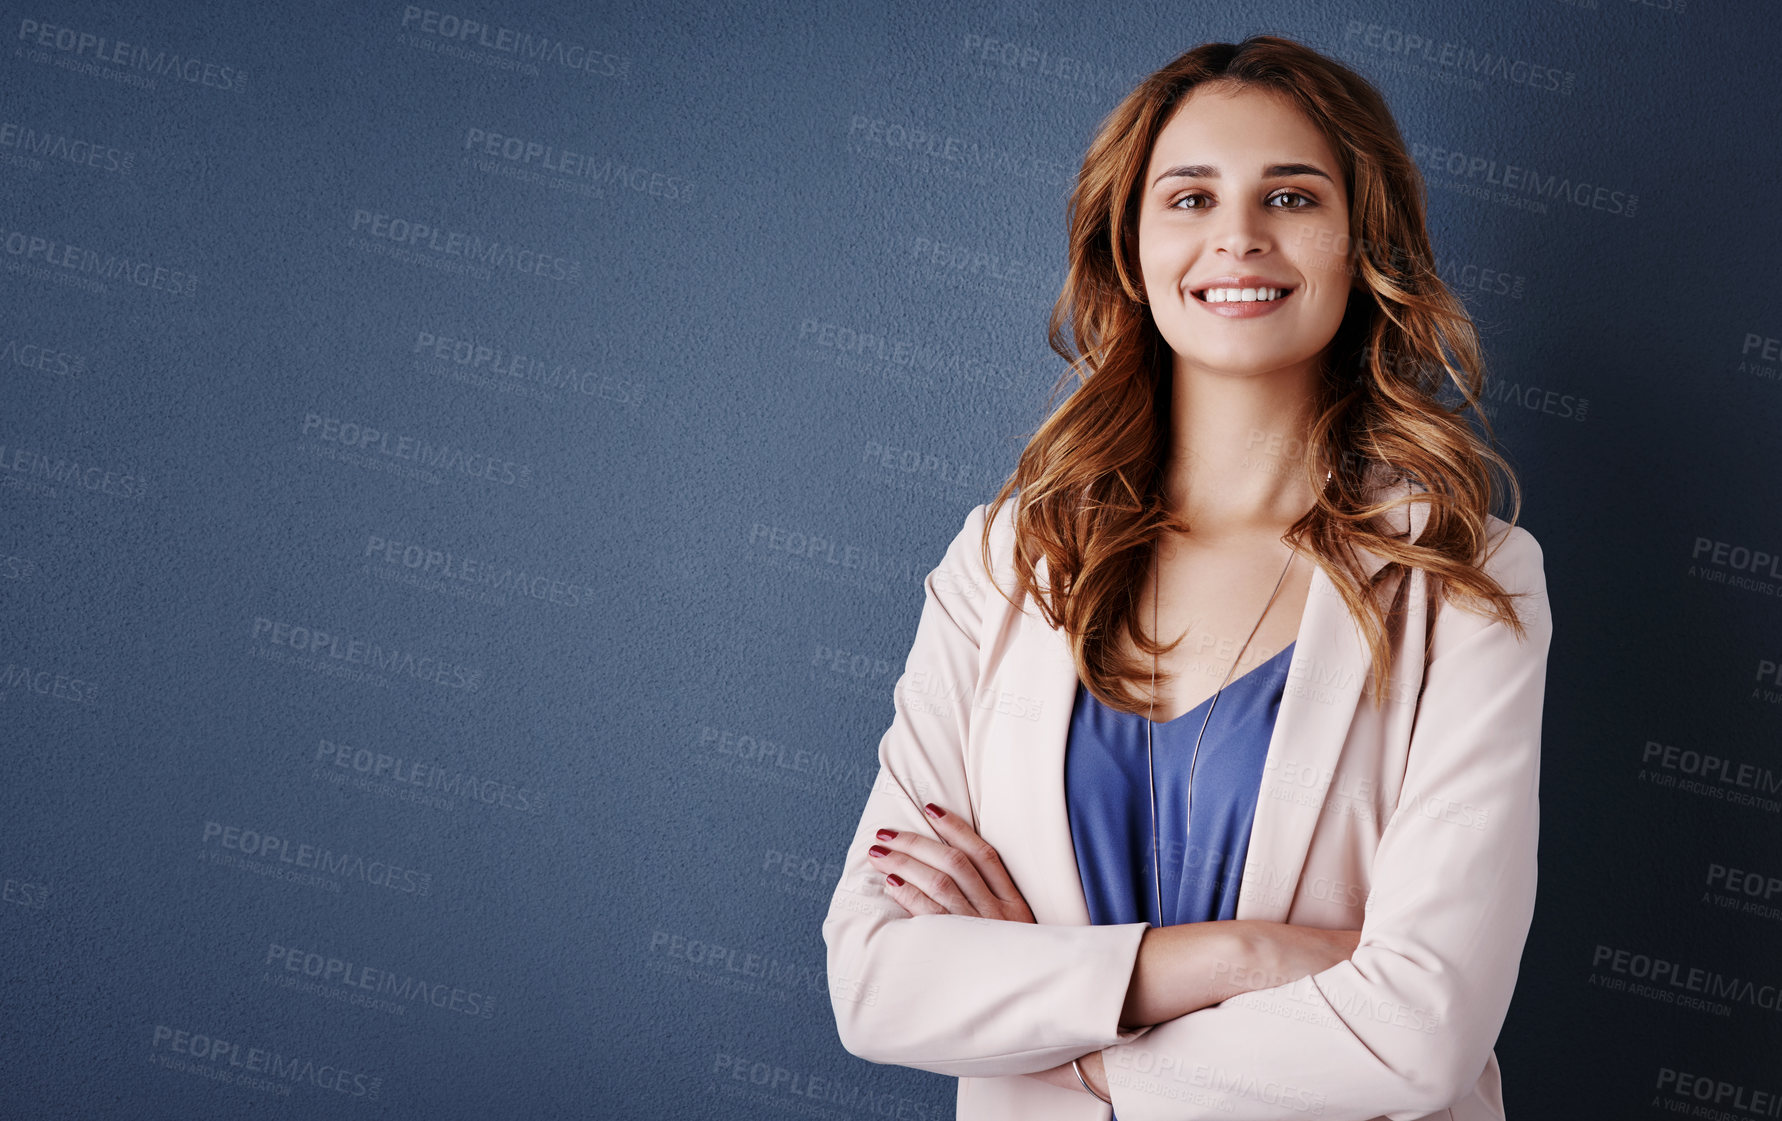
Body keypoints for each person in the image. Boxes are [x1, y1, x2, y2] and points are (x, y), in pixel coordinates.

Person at [821, 34, 1553, 1121]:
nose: (1240, 237)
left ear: (1365, 244)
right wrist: (1240, 954)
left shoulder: (1466, 579)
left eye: (1293, 197)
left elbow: (1418, 1030)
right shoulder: (1007, 561)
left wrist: (1068, 1038)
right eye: (1191, 196)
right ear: (1130, 245)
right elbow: (878, 981)